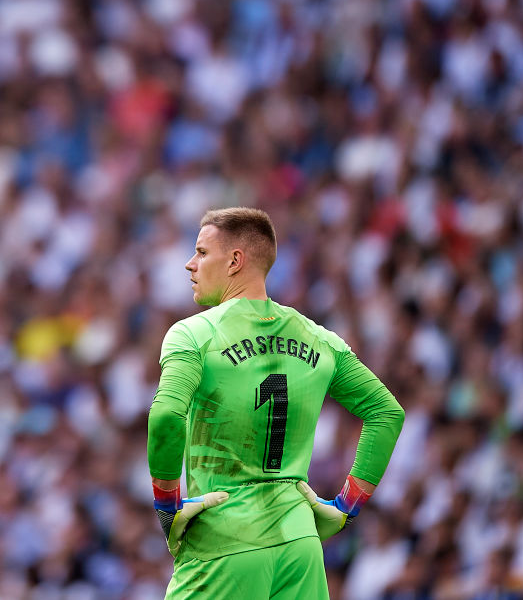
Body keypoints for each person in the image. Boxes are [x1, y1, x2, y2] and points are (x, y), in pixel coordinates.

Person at [146, 207, 405, 598]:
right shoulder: (320, 339)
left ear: (235, 261)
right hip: (300, 544)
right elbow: (387, 412)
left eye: (201, 252)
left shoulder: (194, 334)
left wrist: (168, 507)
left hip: (224, 541)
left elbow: (166, 417)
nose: (190, 264)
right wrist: (346, 506)